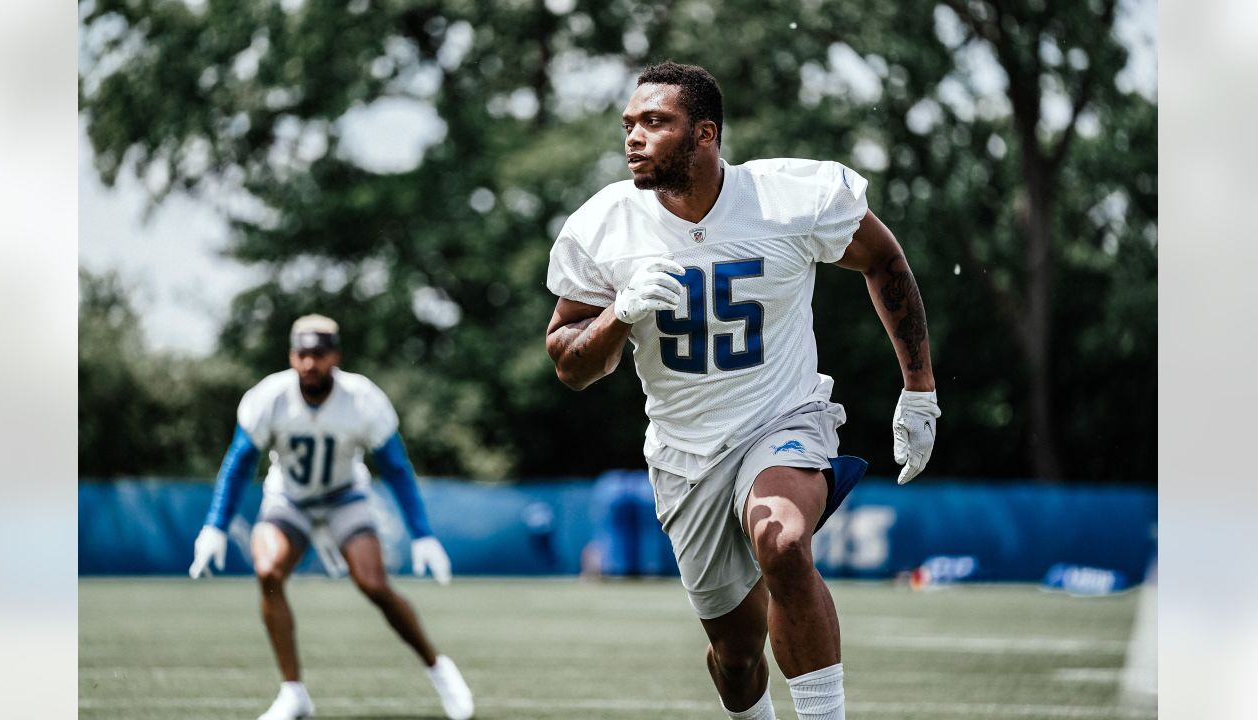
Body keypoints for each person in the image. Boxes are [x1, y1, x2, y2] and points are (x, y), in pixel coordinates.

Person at [544, 62, 940, 720]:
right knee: (735, 655)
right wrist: (620, 313)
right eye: (629, 124)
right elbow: (572, 367)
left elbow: (883, 258)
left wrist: (919, 389)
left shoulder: (787, 197)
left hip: (780, 418)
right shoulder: (605, 226)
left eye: (654, 122)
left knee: (782, 542)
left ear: (705, 134)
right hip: (683, 452)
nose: (634, 138)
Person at [189, 314, 474, 720]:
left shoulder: (362, 398)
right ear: (291, 356)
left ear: (335, 357)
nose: (310, 364)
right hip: (290, 498)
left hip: (345, 497)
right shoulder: (269, 397)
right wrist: (214, 526)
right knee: (268, 572)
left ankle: (437, 667)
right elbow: (239, 463)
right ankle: (293, 693)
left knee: (374, 584)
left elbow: (395, 467)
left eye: (319, 354)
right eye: (303, 354)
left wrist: (423, 534)